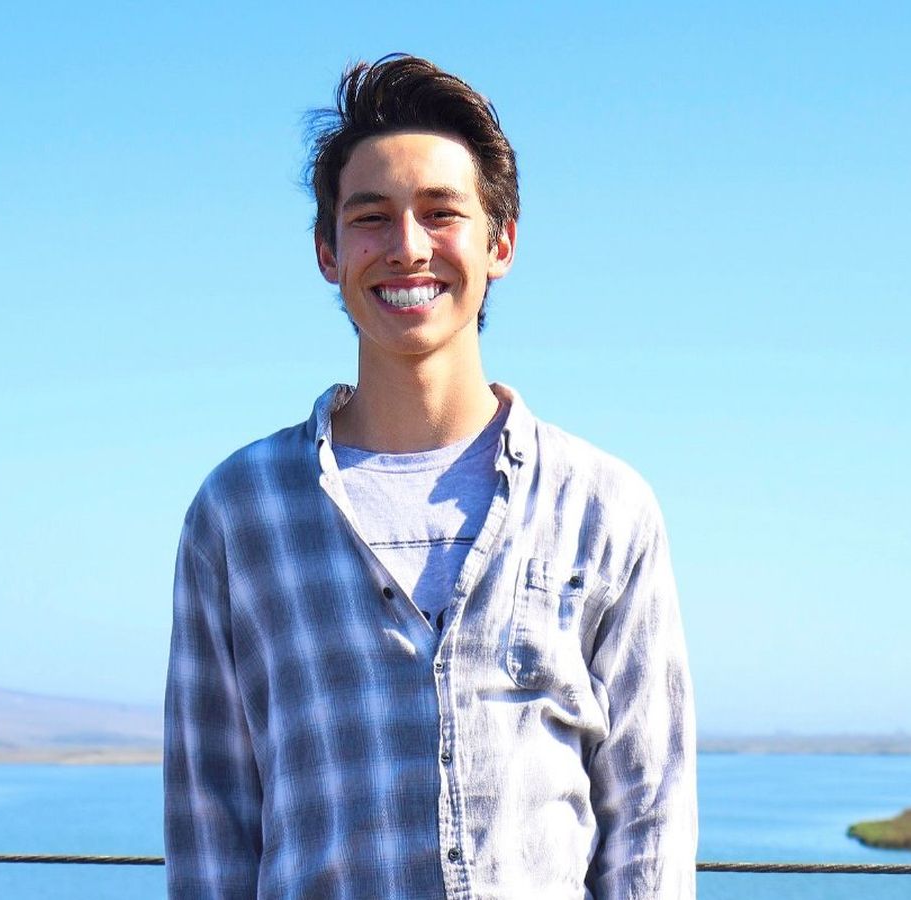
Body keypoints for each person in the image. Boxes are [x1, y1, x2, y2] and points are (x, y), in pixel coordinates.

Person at [165, 53, 697, 899]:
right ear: (327, 251)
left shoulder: (603, 507)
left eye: (441, 213)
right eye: (371, 217)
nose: (407, 247)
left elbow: (649, 823)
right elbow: (212, 828)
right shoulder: (239, 513)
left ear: (500, 243)